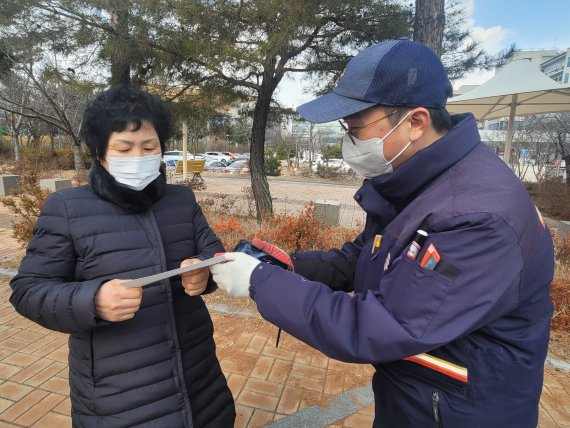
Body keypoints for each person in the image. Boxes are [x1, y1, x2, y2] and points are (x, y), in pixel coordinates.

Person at [209, 39, 554, 427]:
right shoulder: (419, 181)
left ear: (416, 122)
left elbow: (383, 324)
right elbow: (367, 254)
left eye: (356, 128)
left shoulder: (475, 217)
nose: (348, 141)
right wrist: (286, 266)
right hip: (420, 393)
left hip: (461, 410)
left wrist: (262, 282)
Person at [10, 86, 235, 427]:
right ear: (100, 152)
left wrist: (204, 274)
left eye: (149, 147)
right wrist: (93, 299)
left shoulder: (180, 200)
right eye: (124, 148)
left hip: (199, 379)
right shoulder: (68, 208)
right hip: (119, 398)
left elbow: (213, 252)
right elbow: (28, 290)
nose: (138, 156)